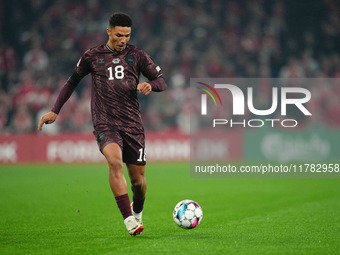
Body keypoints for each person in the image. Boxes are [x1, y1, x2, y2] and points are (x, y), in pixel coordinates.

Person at [38, 12, 167, 236]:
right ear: (109, 31)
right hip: (104, 122)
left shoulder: (137, 55)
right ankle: (129, 220)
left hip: (132, 124)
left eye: (127, 35)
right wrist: (55, 110)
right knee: (115, 163)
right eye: (119, 35)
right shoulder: (92, 56)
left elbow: (162, 81)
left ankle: (137, 212)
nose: (123, 40)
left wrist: (150, 86)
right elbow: (72, 82)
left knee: (138, 182)